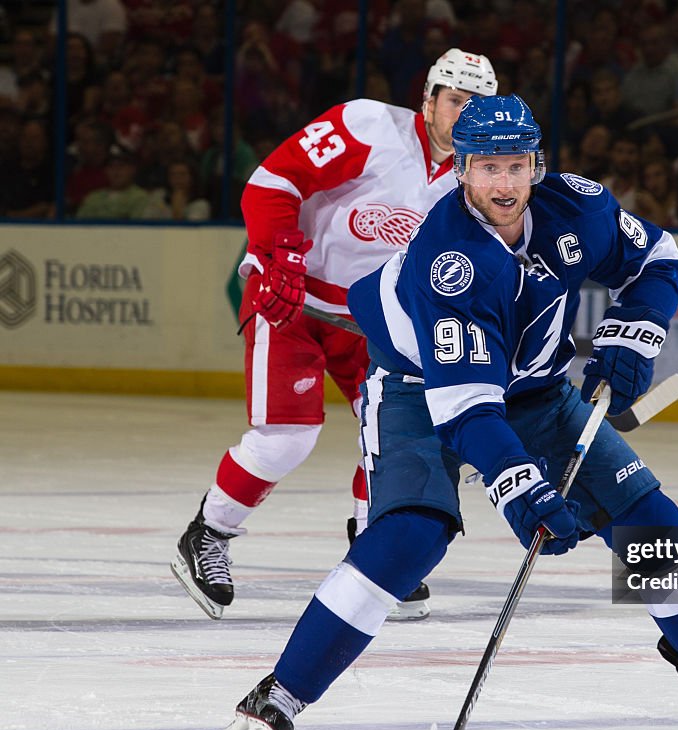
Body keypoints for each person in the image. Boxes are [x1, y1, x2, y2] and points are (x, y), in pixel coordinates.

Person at [211, 93, 678, 730]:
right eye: (488, 168)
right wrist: (525, 491)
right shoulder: (449, 261)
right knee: (410, 537)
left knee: (649, 520)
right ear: (461, 170)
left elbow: (656, 257)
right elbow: (467, 414)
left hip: (537, 391)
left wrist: (632, 337)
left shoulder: (577, 208)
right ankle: (282, 691)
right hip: (415, 387)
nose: (505, 184)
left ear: (534, 166)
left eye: (516, 166)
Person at [171, 49, 498, 623]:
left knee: (399, 436)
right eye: (455, 99)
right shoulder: (367, 125)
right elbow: (271, 183)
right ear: (428, 99)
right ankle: (209, 532)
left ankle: (373, 552)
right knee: (285, 441)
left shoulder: (479, 179)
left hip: (373, 321)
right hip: (295, 301)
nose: (465, 113)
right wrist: (276, 257)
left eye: (478, 104)